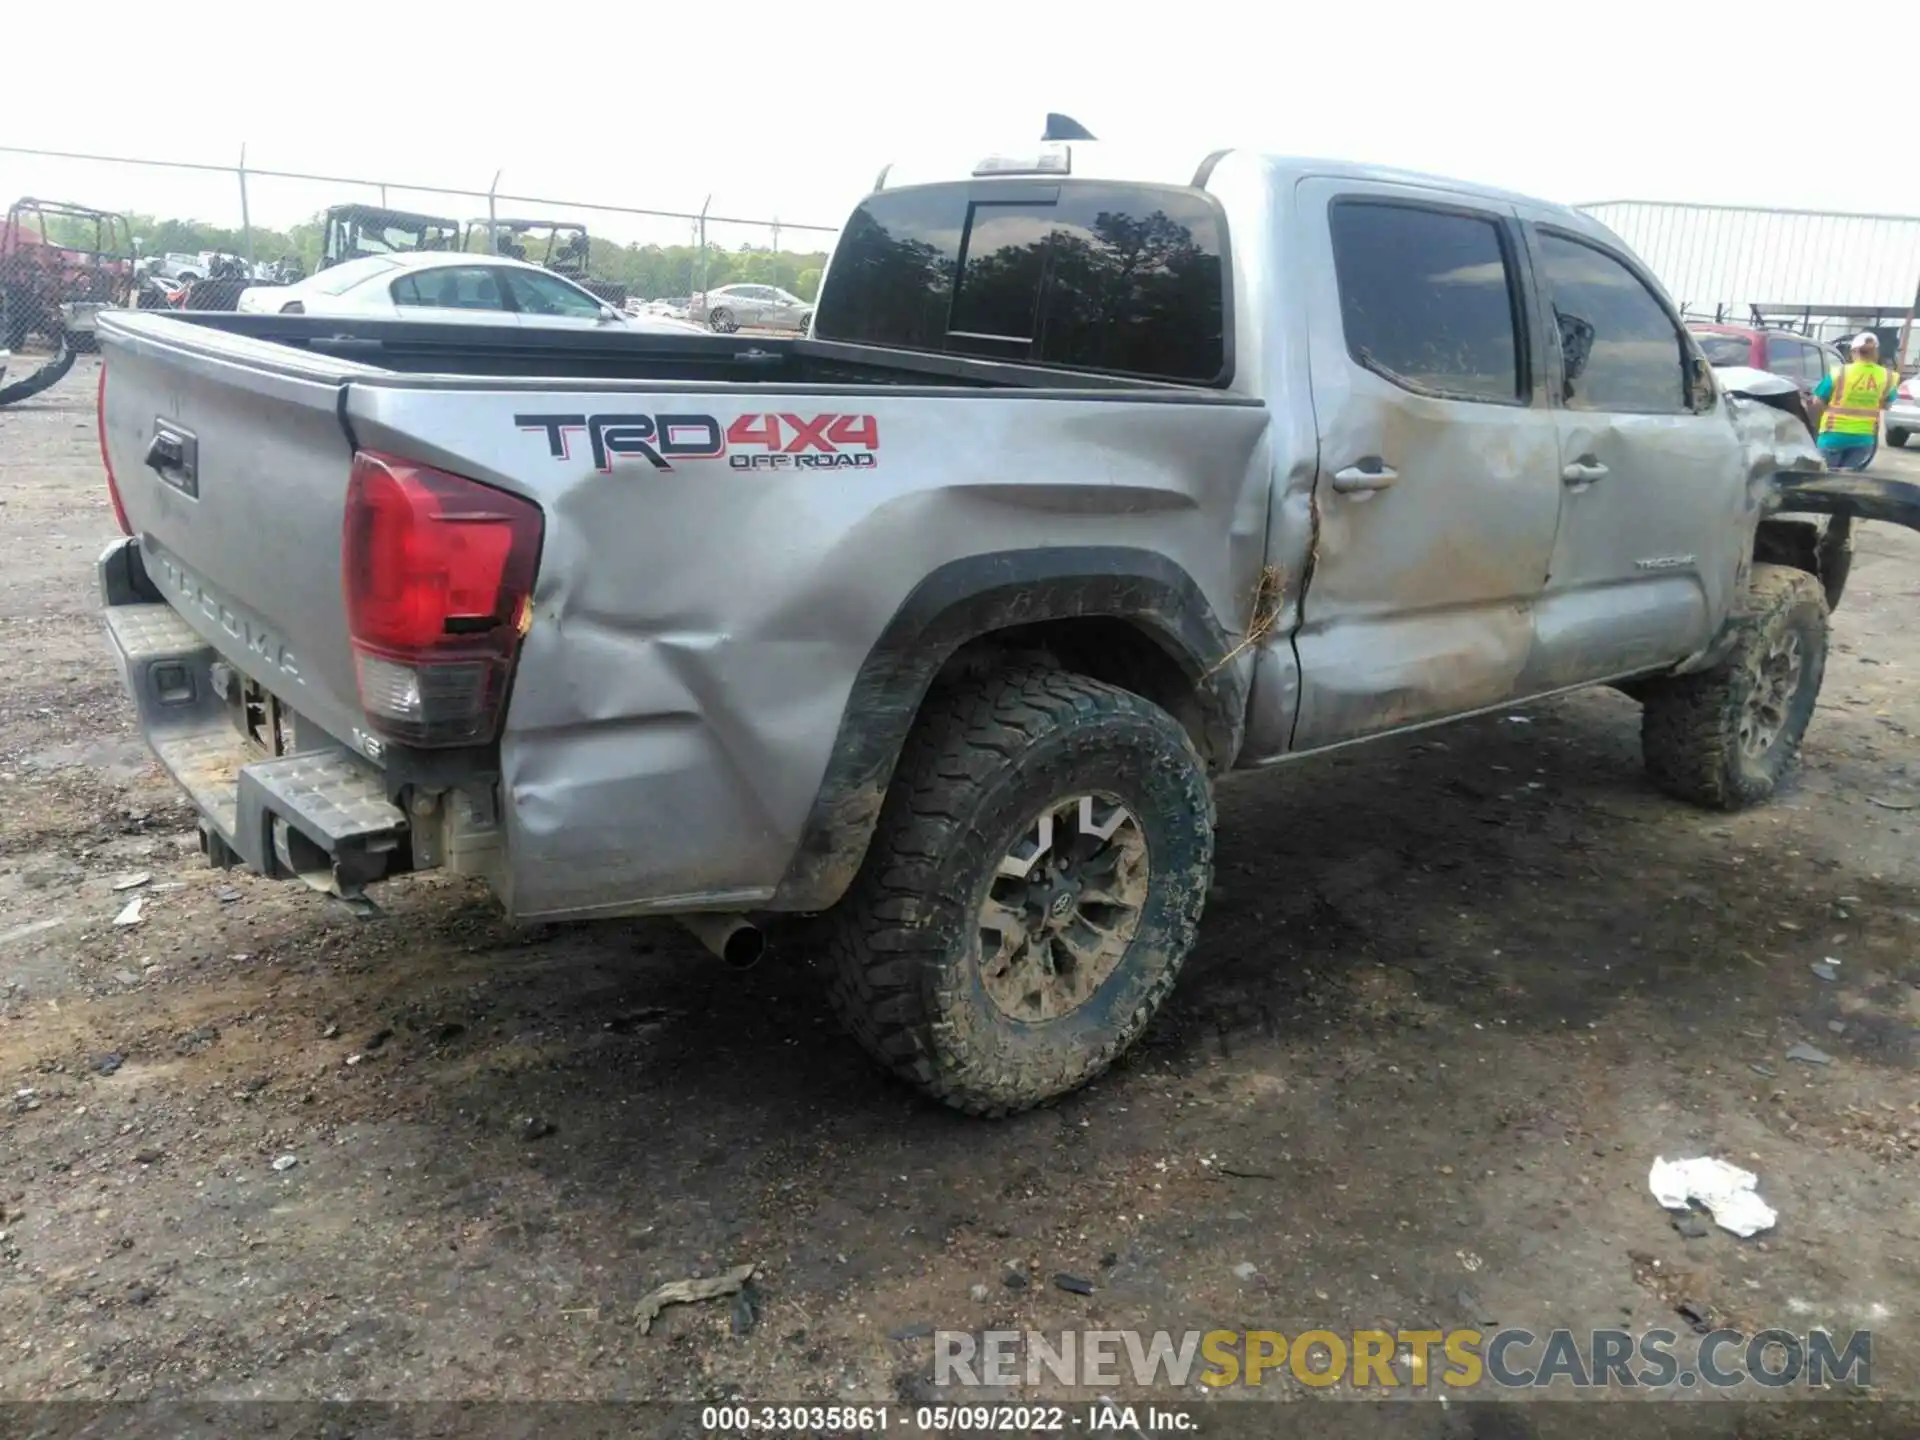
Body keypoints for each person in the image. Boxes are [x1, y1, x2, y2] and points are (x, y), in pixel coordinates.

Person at [1811, 333, 1897, 471]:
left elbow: (1817, 402)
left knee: (1824, 480)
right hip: (1864, 437)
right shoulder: (1887, 376)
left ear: (1853, 352)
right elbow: (1887, 405)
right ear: (1876, 353)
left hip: (1833, 434)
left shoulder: (1838, 372)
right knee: (1849, 481)